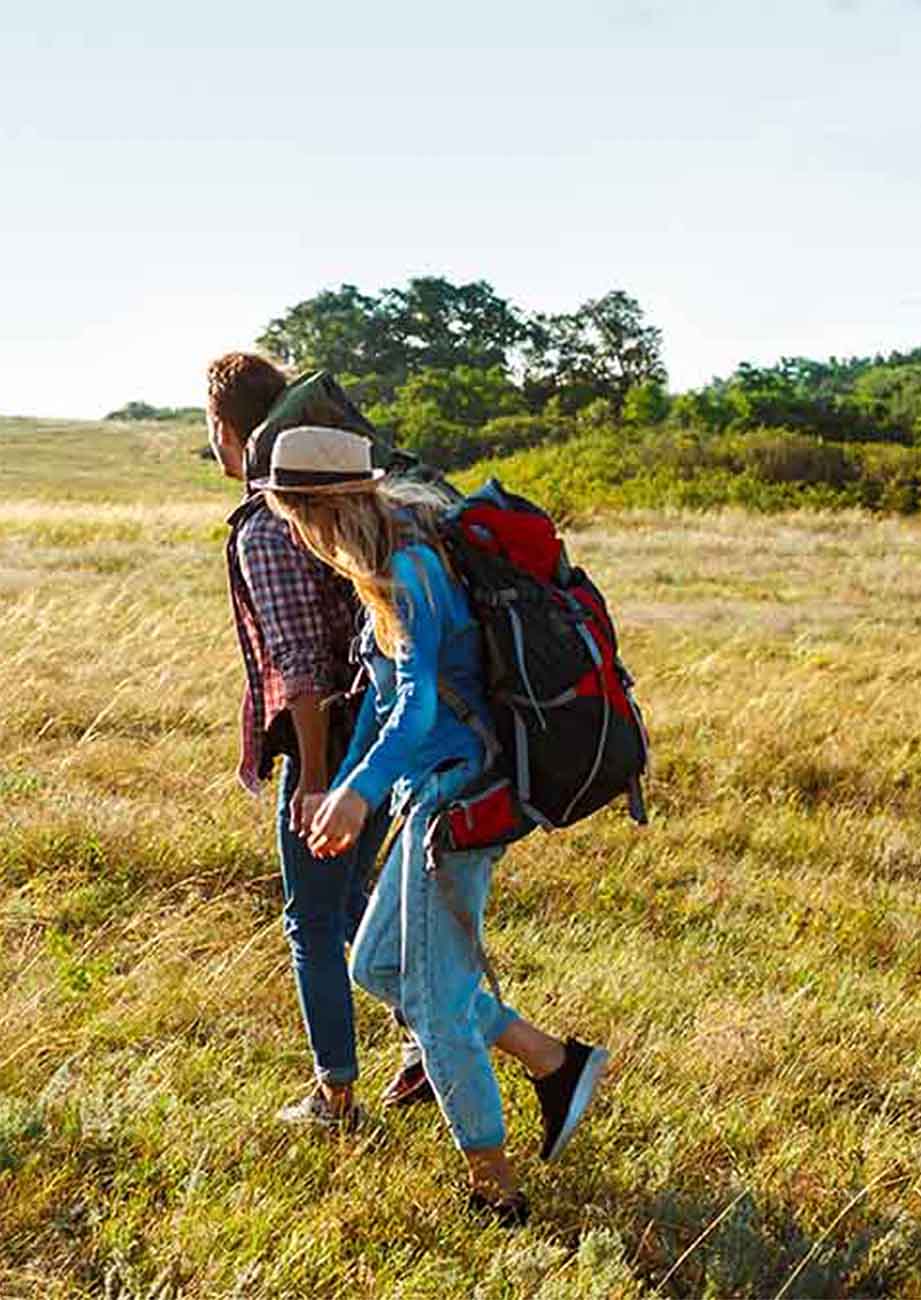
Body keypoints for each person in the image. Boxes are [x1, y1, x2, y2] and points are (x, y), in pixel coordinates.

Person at [257, 423, 608, 1224]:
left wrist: (361, 793)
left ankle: (496, 1189)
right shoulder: (384, 559)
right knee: (377, 966)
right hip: (432, 791)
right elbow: (383, 699)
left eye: (292, 518)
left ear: (319, 511)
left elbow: (417, 707)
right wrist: (343, 784)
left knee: (435, 1003)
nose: (295, 536)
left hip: (460, 795)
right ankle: (551, 1060)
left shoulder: (409, 566)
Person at [206, 353, 418, 1126]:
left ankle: (335, 1093)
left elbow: (302, 664)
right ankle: (425, 1044)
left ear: (229, 430)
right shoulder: (336, 499)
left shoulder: (267, 527)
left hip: (331, 744)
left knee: (312, 921)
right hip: (384, 728)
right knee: (354, 902)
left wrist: (316, 778)